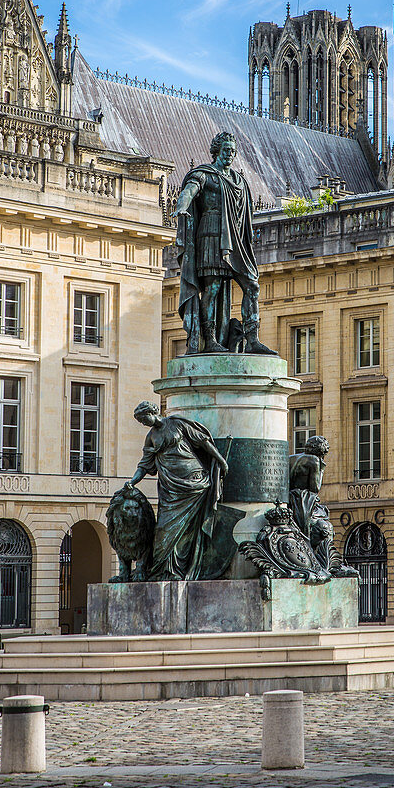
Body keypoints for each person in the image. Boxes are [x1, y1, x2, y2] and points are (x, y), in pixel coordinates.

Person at [175, 131, 275, 355]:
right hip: (211, 235)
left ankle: (252, 339)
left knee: (252, 286)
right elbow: (190, 190)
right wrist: (182, 206)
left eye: (232, 151)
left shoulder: (239, 180)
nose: (229, 154)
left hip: (236, 240)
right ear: (216, 152)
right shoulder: (206, 175)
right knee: (212, 287)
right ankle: (209, 338)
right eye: (225, 150)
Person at [128, 401, 228, 580]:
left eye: (144, 418)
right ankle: (166, 570)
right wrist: (132, 482)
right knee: (163, 530)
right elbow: (144, 465)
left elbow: (203, 442)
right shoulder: (151, 437)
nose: (144, 423)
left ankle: (178, 570)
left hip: (193, 482)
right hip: (170, 489)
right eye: (141, 421)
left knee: (188, 529)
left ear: (153, 412)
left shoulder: (177, 423)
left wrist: (220, 459)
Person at [289, 435, 355, 576]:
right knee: (325, 527)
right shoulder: (314, 461)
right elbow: (315, 487)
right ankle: (319, 562)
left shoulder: (293, 457)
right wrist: (322, 468)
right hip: (304, 500)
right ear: (322, 452)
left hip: (290, 499)